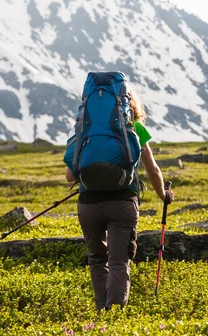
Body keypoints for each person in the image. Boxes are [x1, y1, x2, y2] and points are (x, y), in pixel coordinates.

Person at [66, 91, 174, 311]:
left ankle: (101, 313)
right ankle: (113, 315)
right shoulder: (135, 129)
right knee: (119, 260)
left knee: (97, 259)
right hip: (122, 203)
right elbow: (152, 170)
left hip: (89, 203)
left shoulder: (84, 129)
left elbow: (70, 176)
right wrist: (164, 195)